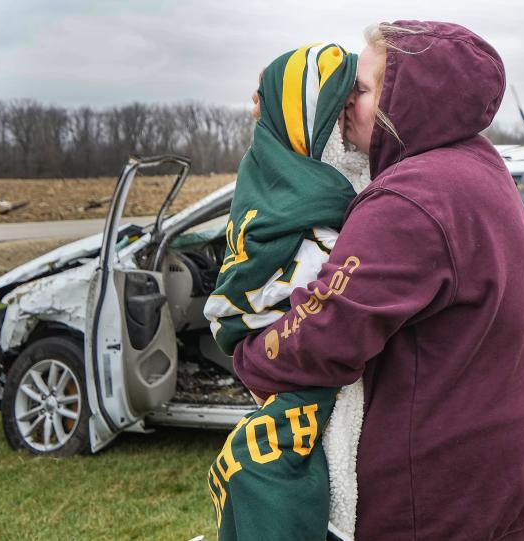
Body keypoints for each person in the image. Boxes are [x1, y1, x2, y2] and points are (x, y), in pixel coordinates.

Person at [234, 21, 524, 540]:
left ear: (410, 98)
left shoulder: (411, 199)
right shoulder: (475, 163)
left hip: (429, 497)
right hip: (496, 476)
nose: (343, 103)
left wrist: (251, 355)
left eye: (359, 89)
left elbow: (325, 336)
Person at [204, 42, 368, 541]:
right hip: (287, 348)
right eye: (341, 106)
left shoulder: (282, 166)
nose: (351, 119)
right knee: (268, 474)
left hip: (288, 353)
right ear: (311, 121)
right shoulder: (307, 183)